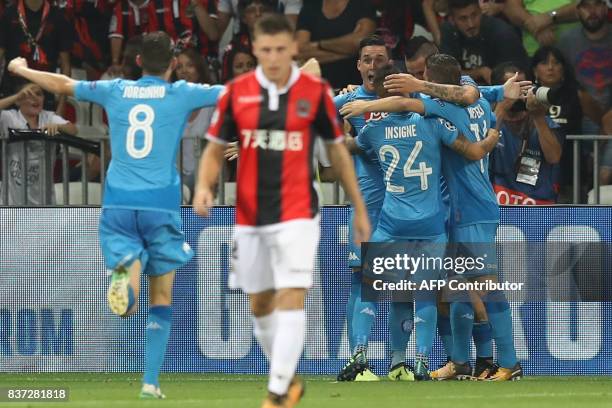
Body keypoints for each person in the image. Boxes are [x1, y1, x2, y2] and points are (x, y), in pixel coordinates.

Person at [8, 31, 224, 398]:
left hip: (120, 201)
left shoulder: (117, 89)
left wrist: (21, 68)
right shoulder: (182, 92)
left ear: (138, 61)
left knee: (128, 284)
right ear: (172, 63)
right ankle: (150, 382)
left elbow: (62, 83)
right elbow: (240, 94)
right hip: (161, 203)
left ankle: (126, 273)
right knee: (163, 296)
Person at [193, 14, 370, 408]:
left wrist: (359, 206)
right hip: (252, 215)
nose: (273, 57)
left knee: (292, 295)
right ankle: (287, 376)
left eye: (280, 50)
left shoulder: (313, 93)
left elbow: (338, 152)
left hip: (299, 212)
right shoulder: (237, 93)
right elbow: (213, 148)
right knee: (259, 304)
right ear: (256, 51)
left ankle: (276, 393)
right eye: (265, 50)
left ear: (292, 49)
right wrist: (204, 185)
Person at [347, 62, 500, 381]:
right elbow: (471, 151)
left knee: (369, 288)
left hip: (391, 222)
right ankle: (419, 361)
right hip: (430, 224)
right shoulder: (433, 123)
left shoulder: (373, 131)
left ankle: (359, 355)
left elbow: (348, 151)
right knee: (425, 293)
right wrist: (491, 137)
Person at [332, 35, 396, 382]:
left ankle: (401, 362)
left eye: (379, 59)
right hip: (366, 208)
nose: (373, 65)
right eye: (367, 59)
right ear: (358, 65)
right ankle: (357, 358)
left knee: (405, 285)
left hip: (406, 206)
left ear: (389, 63)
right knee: (364, 282)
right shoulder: (346, 100)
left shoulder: (406, 99)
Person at [489, 62, 564, 205]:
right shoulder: (485, 119)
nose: (519, 92)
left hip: (536, 206)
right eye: (514, 86)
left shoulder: (543, 121)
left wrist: (538, 117)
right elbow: (480, 150)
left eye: (524, 86)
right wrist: (502, 107)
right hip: (497, 205)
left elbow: (554, 157)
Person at [0, 80, 77, 205]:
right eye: (28, 95)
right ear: (19, 101)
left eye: (39, 94)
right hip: (12, 204)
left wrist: (57, 127)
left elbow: (73, 130)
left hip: (44, 202)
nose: (35, 98)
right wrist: (16, 96)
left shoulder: (49, 117)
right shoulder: (9, 117)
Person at [531, 46, 582, 202]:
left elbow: (601, 122)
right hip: (533, 167)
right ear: (534, 70)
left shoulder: (577, 94)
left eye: (556, 63)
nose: (551, 68)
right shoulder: (528, 95)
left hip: (568, 166)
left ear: (563, 68)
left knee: (570, 222)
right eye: (545, 63)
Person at [439, 0, 529, 84]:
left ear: (481, 11)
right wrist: (478, 72)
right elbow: (445, 73)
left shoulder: (502, 33)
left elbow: (517, 78)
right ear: (452, 20)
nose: (471, 24)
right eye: (463, 19)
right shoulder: (449, 31)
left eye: (474, 15)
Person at [296, 0, 376, 89]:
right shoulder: (311, 6)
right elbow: (300, 51)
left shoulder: (362, 4)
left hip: (354, 88)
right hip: (316, 87)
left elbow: (360, 42)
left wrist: (319, 45)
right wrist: (349, 51)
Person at [174, 48, 215, 201]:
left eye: (189, 65)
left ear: (199, 68)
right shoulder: (171, 103)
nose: (184, 70)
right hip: (176, 173)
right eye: (179, 67)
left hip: (205, 173)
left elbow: (226, 142)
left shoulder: (212, 102)